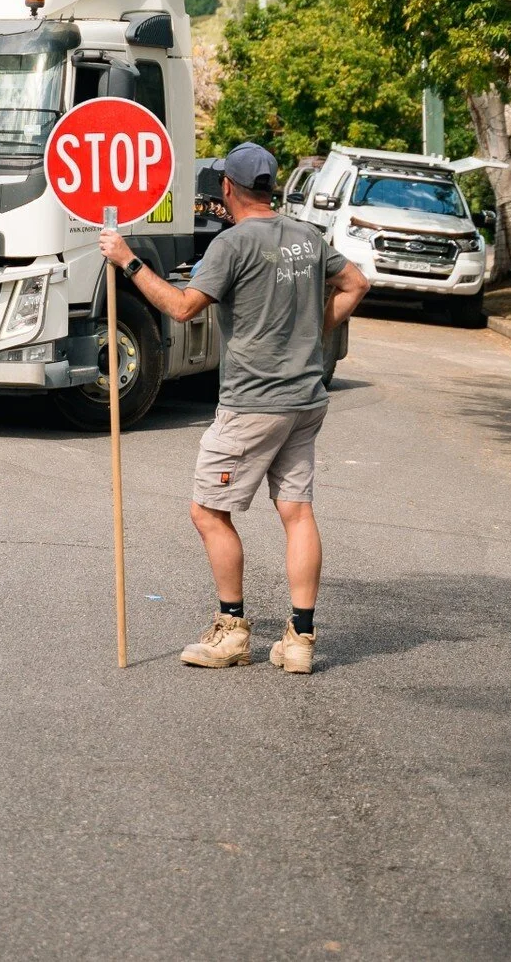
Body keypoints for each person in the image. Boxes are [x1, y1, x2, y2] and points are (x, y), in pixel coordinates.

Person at [99, 141, 369, 674]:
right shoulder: (307, 236)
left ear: (227, 189)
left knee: (207, 510)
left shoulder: (231, 244)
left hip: (253, 403)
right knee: (296, 512)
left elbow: (181, 308)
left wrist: (127, 260)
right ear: (270, 186)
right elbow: (356, 281)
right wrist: (315, 333)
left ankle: (232, 630)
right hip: (305, 398)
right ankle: (300, 640)